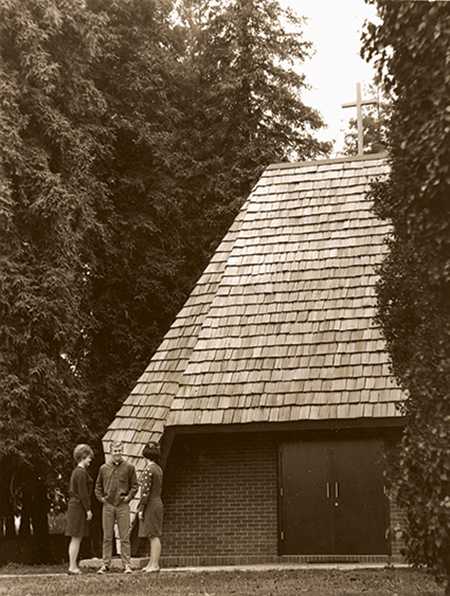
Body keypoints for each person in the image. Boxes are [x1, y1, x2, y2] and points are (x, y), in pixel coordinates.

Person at [95, 441, 138, 574]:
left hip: (122, 505)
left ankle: (127, 565)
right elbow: (98, 486)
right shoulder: (103, 468)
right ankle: (105, 564)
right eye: (115, 450)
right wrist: (101, 499)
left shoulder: (129, 467)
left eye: (120, 450)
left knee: (124, 536)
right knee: (107, 536)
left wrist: (128, 498)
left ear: (122, 451)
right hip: (108, 505)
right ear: (111, 451)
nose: (117, 453)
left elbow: (135, 486)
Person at [65, 443, 94, 575]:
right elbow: (83, 493)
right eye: (89, 457)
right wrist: (88, 509)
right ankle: (72, 566)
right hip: (78, 507)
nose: (90, 460)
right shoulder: (81, 473)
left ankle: (72, 565)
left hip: (74, 506)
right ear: (83, 457)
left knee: (75, 538)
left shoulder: (75, 472)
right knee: (76, 537)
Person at [138, 441, 164, 573]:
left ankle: (155, 564)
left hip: (151, 504)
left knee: (153, 535)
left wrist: (141, 508)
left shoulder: (149, 469)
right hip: (157, 501)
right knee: (152, 534)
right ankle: (152, 563)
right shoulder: (158, 469)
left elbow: (145, 491)